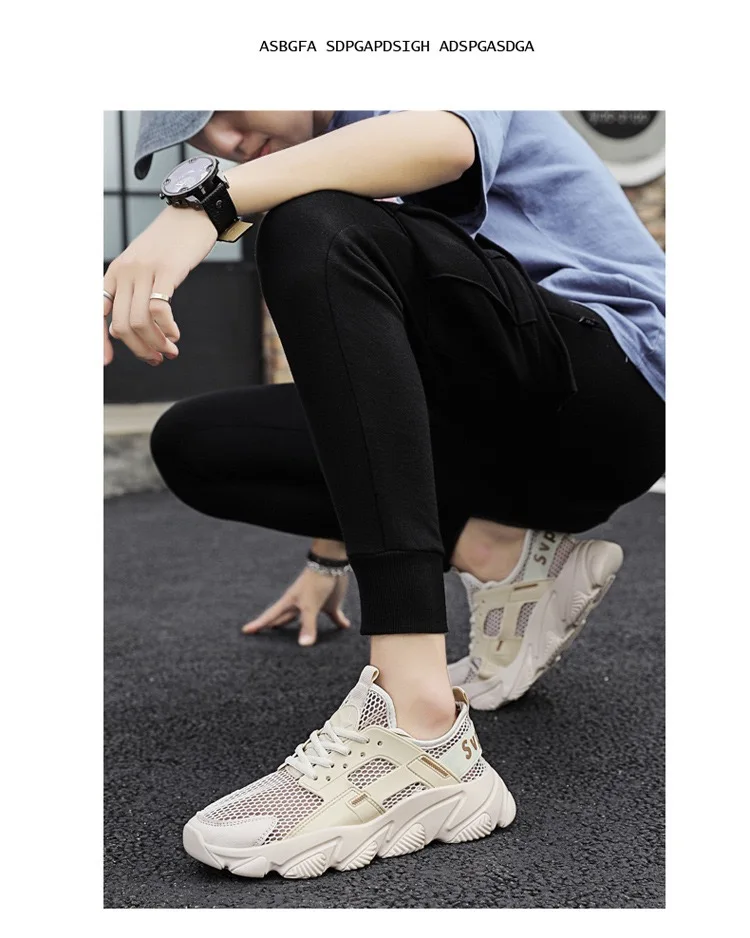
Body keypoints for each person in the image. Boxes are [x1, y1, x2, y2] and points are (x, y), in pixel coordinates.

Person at [103, 110, 665, 879]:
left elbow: (443, 144)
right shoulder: (316, 171)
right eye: (200, 138)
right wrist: (331, 553)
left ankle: (420, 729)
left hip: (614, 391)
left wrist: (208, 203)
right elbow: (369, 377)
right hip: (496, 436)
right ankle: (505, 556)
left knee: (313, 224)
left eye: (225, 107)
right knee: (195, 442)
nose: (225, 141)